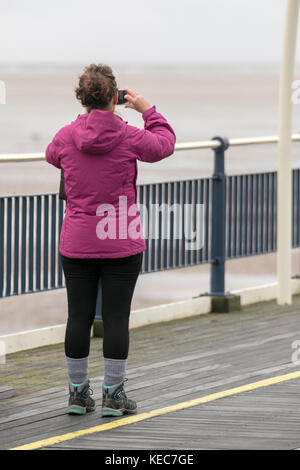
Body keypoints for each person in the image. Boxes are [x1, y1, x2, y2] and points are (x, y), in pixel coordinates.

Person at [45, 64, 176, 417]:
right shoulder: (128, 134)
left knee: (78, 317)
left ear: (83, 99)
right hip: (120, 239)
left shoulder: (66, 134)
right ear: (115, 99)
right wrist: (148, 110)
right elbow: (164, 145)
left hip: (77, 241)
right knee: (116, 318)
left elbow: (52, 155)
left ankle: (77, 394)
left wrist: (82, 122)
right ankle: (113, 395)